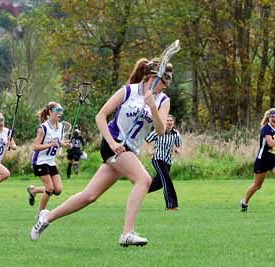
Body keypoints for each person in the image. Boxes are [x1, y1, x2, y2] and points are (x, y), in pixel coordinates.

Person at [30, 58, 172, 247]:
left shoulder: (163, 100)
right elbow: (101, 116)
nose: (167, 85)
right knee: (144, 180)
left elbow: (161, 130)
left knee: (89, 196)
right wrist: (112, 143)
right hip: (113, 144)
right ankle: (127, 233)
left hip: (129, 150)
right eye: (165, 80)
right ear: (152, 77)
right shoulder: (128, 91)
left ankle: (47, 218)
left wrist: (152, 107)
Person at [240, 108, 275, 212]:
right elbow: (270, 143)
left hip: (273, 160)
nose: (274, 118)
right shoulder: (265, 129)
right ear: (269, 117)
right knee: (257, 186)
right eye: (272, 117)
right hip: (262, 161)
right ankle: (244, 202)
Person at [26, 102, 70, 216]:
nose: (60, 113)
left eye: (61, 110)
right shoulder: (43, 128)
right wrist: (50, 145)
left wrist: (65, 145)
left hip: (51, 162)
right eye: (57, 110)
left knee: (58, 190)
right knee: (49, 189)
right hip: (40, 161)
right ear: (50, 112)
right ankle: (40, 214)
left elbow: (58, 142)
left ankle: (34, 190)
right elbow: (35, 147)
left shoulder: (60, 127)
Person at [145, 114, 182, 210]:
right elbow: (147, 141)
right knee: (167, 179)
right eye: (167, 120)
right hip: (158, 159)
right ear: (164, 122)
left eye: (171, 121)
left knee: (160, 183)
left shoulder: (176, 134)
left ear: (173, 123)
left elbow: (179, 145)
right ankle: (171, 205)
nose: (169, 122)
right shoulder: (158, 131)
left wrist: (178, 150)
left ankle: (141, 189)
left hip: (168, 161)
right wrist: (149, 151)